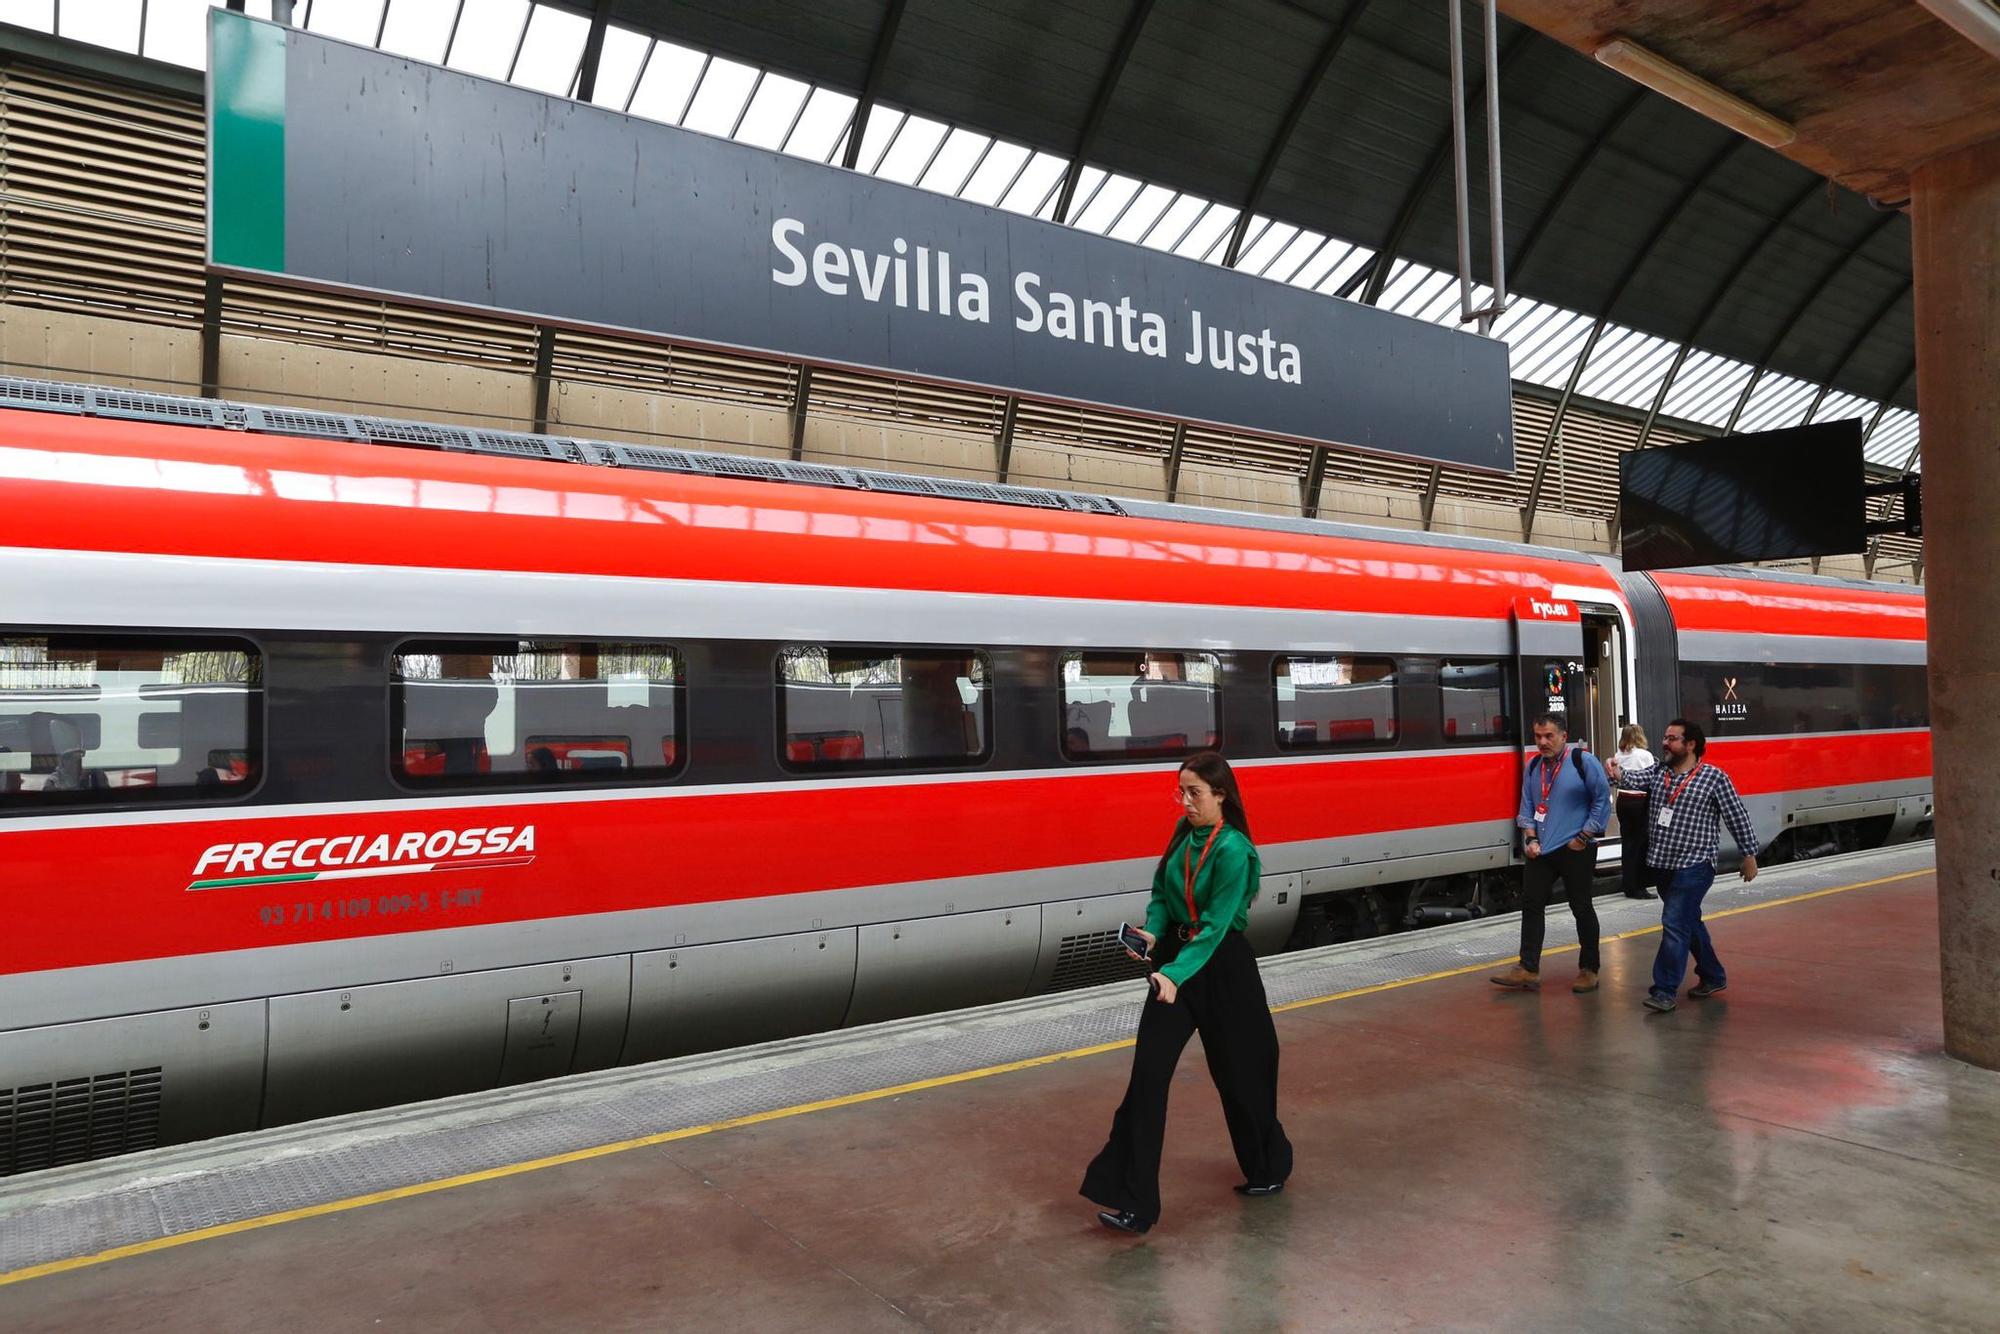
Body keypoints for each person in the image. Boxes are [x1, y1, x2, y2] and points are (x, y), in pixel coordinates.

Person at [1081, 751, 1292, 1235]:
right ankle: (1134, 1202)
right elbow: (1161, 894)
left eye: (1195, 792)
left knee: (1243, 1075)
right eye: (1181, 791)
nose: (1185, 801)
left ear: (1221, 795)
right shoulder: (1183, 835)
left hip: (1222, 969)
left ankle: (1266, 1167)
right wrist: (1153, 934)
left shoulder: (1235, 849)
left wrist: (1176, 974)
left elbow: (1218, 926)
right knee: (1146, 1083)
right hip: (1173, 965)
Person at [1617, 718, 1759, 1013]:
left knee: (1673, 922)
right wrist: (1613, 772)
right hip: (1662, 863)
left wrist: (1749, 855)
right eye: (1665, 737)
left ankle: (1665, 990)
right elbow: (1632, 780)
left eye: (1672, 739)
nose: (1664, 743)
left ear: (1690, 744)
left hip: (1696, 864)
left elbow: (1737, 816)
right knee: (1687, 922)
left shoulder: (1714, 778)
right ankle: (1713, 975)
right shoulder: (1659, 772)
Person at [1492, 712, 1612, 994]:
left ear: (1563, 737)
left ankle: (1589, 969)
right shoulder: (1534, 767)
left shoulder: (1584, 762)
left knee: (1580, 906)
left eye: (1548, 736)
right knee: (1531, 904)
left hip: (1576, 848)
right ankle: (1528, 968)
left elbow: (1601, 800)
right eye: (1537, 737)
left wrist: (1584, 836)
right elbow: (1526, 807)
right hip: (1542, 849)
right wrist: (1530, 838)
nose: (1542, 742)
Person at [1611, 724, 1658, 900]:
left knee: (1628, 844)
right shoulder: (1645, 755)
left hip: (1623, 800)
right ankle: (1639, 887)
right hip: (1640, 801)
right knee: (1641, 845)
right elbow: (1653, 778)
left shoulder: (1618, 756)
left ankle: (1628, 885)